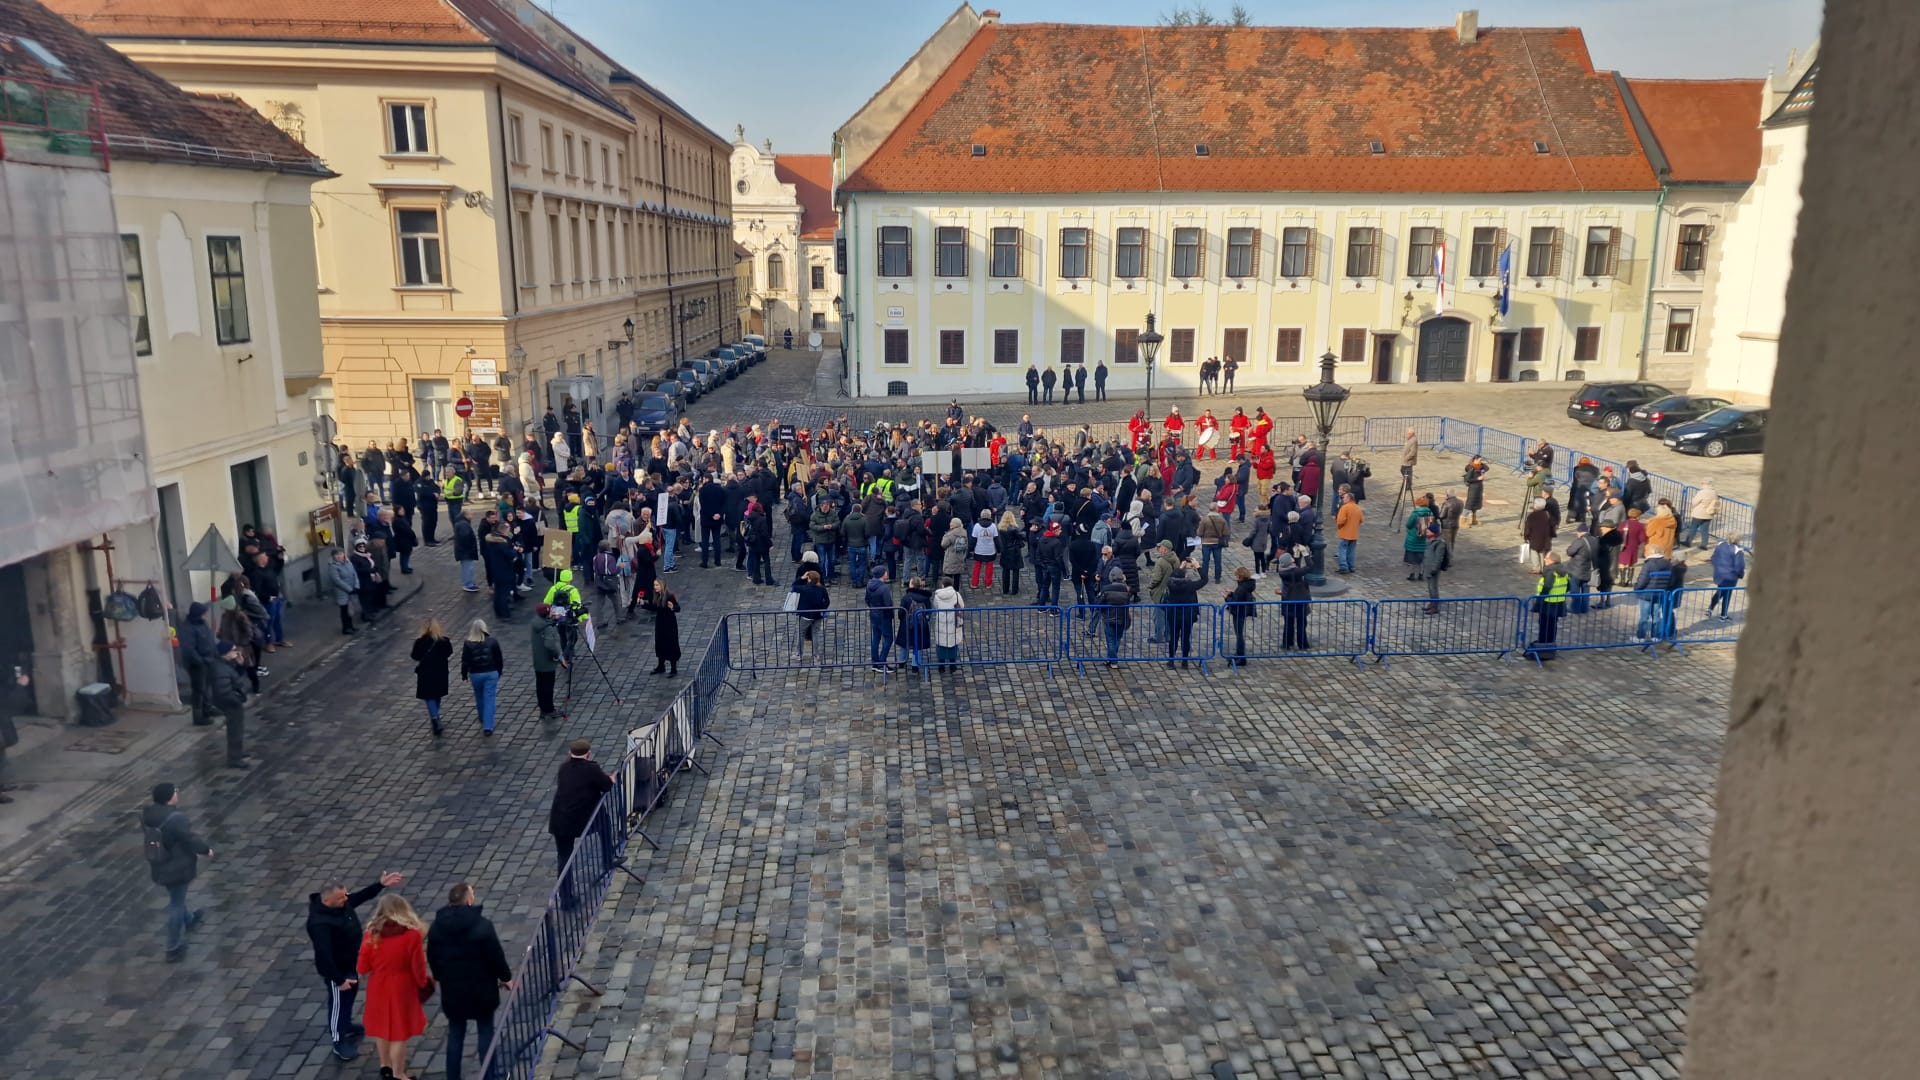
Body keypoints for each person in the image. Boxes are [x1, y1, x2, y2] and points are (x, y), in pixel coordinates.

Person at [307, 871, 406, 1060]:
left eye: (345, 894)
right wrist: (338, 980)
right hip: (338, 971)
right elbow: (324, 955)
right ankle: (338, 1040)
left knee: (350, 996)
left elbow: (359, 897)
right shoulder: (320, 924)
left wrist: (380, 884)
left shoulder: (340, 904)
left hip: (352, 963)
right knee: (338, 1003)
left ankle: (347, 1025)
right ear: (328, 900)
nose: (346, 898)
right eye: (341, 897)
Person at [427, 882, 516, 1080]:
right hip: (481, 989)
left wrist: (441, 977)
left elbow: (432, 958)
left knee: (456, 1033)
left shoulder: (436, 928)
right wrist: (506, 978)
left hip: (453, 991)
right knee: (485, 1031)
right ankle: (489, 1074)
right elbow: (495, 956)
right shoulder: (482, 926)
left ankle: (453, 1076)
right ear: (467, 900)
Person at [356, 893, 432, 1080]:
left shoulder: (371, 934)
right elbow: (418, 967)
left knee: (382, 1027)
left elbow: (362, 967)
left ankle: (385, 1066)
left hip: (379, 986)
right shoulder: (411, 936)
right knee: (399, 1032)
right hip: (402, 987)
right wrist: (423, 984)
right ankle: (399, 1074)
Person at [142, 782, 211, 962]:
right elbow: (189, 839)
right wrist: (206, 850)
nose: (177, 794)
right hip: (177, 866)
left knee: (176, 896)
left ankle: (189, 920)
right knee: (176, 904)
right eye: (175, 792)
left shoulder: (148, 815)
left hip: (160, 865)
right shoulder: (176, 818)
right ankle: (173, 947)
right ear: (169, 797)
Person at [550, 739, 614, 906]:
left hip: (559, 820)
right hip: (579, 819)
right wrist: (611, 780)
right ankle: (608, 858)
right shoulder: (591, 769)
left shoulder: (563, 768)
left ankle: (566, 898)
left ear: (569, 753)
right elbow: (606, 785)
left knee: (564, 858)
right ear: (588, 754)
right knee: (604, 823)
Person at [209, 639, 252, 768]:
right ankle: (234, 758)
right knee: (235, 730)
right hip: (231, 703)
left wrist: (241, 664)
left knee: (237, 729)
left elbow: (237, 677)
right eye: (233, 650)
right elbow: (223, 691)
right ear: (225, 653)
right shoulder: (220, 669)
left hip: (233, 701)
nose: (236, 652)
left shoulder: (226, 664)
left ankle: (237, 753)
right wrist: (238, 700)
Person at [460, 619, 505, 735]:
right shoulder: (492, 642)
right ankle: (488, 726)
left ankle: (481, 716)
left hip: (476, 674)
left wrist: (464, 674)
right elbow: (499, 659)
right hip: (491, 673)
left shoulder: (468, 643)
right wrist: (499, 671)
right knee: (490, 698)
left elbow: (465, 661)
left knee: (479, 696)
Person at [178, 601, 219, 724]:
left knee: (206, 687)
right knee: (199, 690)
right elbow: (188, 649)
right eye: (204, 613)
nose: (205, 615)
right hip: (197, 664)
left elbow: (209, 639)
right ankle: (198, 717)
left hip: (207, 660)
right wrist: (200, 661)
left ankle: (207, 709)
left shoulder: (202, 624)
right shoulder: (188, 628)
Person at [410, 619, 452, 736]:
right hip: (440, 673)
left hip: (426, 674)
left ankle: (435, 719)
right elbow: (449, 652)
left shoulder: (419, 642)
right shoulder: (443, 641)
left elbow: (414, 656)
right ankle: (436, 717)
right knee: (436, 695)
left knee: (429, 696)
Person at [1530, 554, 1572, 661]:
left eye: (1546, 558)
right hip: (1558, 603)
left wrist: (1539, 602)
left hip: (1547, 604)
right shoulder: (1564, 572)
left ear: (1552, 561)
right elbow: (1568, 587)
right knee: (1552, 627)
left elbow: (1546, 588)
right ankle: (1550, 647)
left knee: (1544, 626)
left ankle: (1543, 649)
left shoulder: (1550, 572)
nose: (1544, 559)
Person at [1164, 559, 1202, 668]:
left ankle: (1171, 660)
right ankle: (1184, 660)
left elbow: (1172, 576)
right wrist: (1197, 566)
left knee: (1174, 637)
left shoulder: (1171, 584)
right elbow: (1204, 579)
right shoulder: (1190, 586)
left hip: (1174, 614)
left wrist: (1180, 568)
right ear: (1185, 577)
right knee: (1185, 638)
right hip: (1187, 615)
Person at [530, 604, 565, 719]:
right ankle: (549, 710)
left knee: (540, 686)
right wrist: (557, 656)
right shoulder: (548, 628)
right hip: (547, 663)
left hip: (538, 661)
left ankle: (543, 709)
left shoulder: (536, 623)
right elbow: (550, 645)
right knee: (548, 687)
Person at [1274, 548, 1311, 650]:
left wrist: (1296, 553)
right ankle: (1302, 644)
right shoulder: (1296, 572)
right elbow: (1310, 566)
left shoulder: (1283, 571)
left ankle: (1287, 643)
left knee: (1288, 623)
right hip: (1299, 599)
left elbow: (1294, 564)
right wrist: (1305, 553)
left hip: (1288, 599)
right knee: (1301, 623)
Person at [1097, 567, 1132, 667]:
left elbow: (1099, 603)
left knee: (1110, 639)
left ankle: (1113, 660)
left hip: (1109, 617)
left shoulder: (1106, 589)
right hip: (1122, 617)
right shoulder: (1127, 590)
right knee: (1117, 638)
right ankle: (1111, 659)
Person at [929, 577, 965, 673]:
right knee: (953, 644)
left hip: (941, 623)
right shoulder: (957, 595)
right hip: (953, 623)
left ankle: (941, 666)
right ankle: (952, 666)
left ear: (943, 585)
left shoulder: (937, 596)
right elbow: (962, 606)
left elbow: (936, 606)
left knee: (941, 645)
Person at [792, 570, 830, 658]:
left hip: (805, 615)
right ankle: (816, 654)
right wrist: (822, 608)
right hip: (817, 615)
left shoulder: (804, 589)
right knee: (815, 634)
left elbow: (794, 586)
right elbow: (827, 601)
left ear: (808, 579)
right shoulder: (822, 589)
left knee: (801, 633)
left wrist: (801, 578)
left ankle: (799, 654)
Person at [864, 568, 895, 673]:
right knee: (889, 639)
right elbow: (888, 604)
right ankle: (882, 662)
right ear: (882, 574)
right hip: (883, 617)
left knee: (876, 639)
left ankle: (875, 662)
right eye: (885, 572)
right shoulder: (884, 588)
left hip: (874, 614)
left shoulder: (869, 585)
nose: (887, 573)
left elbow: (867, 600)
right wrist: (890, 615)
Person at [1563, 523, 1598, 615]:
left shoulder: (1579, 541)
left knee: (1575, 590)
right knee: (1586, 590)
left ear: (1580, 532)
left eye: (1577, 532)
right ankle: (1585, 608)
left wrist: (1569, 548)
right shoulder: (1595, 540)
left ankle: (1575, 608)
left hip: (1576, 570)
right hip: (1589, 570)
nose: (1577, 534)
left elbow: (1570, 552)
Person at [648, 580, 682, 677]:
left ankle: (673, 668)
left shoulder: (669, 596)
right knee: (660, 643)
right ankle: (661, 666)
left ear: (662, 585)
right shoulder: (656, 596)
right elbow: (654, 607)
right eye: (654, 585)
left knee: (671, 644)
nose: (655, 587)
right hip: (660, 624)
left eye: (657, 585)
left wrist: (673, 607)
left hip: (669, 624)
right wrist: (643, 603)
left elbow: (678, 608)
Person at [1709, 535, 1747, 619]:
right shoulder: (1737, 550)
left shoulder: (1720, 545)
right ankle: (1723, 615)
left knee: (1720, 591)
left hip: (1719, 574)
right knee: (1727, 594)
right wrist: (1741, 574)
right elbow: (1739, 566)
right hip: (1730, 576)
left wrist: (1717, 567)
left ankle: (1710, 608)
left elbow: (1713, 557)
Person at [1420, 522, 1449, 614]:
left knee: (1433, 588)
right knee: (1430, 587)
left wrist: (1434, 569)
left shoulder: (1440, 544)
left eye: (1429, 531)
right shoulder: (1429, 541)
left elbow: (1438, 558)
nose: (1427, 532)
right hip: (1428, 567)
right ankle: (1432, 603)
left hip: (1433, 569)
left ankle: (1435, 606)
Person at [1402, 496, 1433, 580]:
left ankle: (1412, 574)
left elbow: (1408, 525)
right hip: (1423, 539)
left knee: (1412, 558)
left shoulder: (1415, 514)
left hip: (1413, 538)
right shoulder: (1430, 513)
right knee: (1421, 558)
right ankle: (1421, 574)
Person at [1684, 480, 1719, 549]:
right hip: (1709, 514)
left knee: (1693, 528)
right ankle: (1704, 544)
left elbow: (1694, 502)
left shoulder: (1702, 492)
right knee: (1705, 530)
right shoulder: (1714, 492)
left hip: (1699, 513)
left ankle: (1688, 541)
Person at [1523, 497, 1556, 571]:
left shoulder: (1531, 516)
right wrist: (1552, 535)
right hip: (1545, 539)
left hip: (1535, 539)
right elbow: (1552, 526)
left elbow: (1527, 528)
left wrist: (1526, 537)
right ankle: (1543, 567)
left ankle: (1536, 568)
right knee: (1542, 553)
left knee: (1534, 553)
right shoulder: (1547, 515)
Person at [968, 510, 998, 590]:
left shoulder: (977, 526)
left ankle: (974, 583)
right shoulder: (993, 526)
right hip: (990, 550)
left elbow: (973, 539)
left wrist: (970, 549)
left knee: (977, 567)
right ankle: (988, 583)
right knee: (989, 568)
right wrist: (999, 549)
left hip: (979, 550)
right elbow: (996, 539)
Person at [1334, 491, 1362, 574]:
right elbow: (1361, 520)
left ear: (1349, 498)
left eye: (1344, 498)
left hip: (1344, 533)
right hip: (1354, 533)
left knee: (1342, 550)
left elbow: (1340, 520)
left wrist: (1339, 527)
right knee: (1351, 551)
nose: (1343, 499)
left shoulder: (1345, 508)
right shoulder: (1357, 507)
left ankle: (1343, 566)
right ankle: (1351, 566)